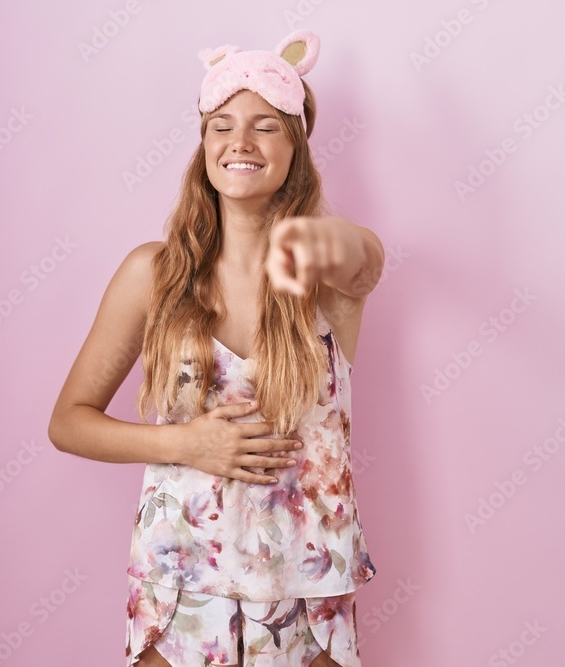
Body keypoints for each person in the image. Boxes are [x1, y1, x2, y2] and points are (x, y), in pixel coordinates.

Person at [48, 28, 384, 667]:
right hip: (181, 584)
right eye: (221, 125)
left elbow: (367, 261)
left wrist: (297, 238)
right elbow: (68, 423)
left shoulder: (323, 277)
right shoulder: (154, 273)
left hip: (309, 589)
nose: (240, 142)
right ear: (203, 145)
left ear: (297, 148)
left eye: (266, 126)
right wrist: (187, 443)